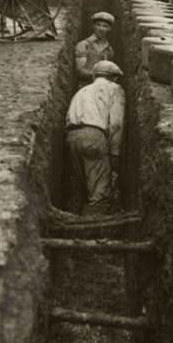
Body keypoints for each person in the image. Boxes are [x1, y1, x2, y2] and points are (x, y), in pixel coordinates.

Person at [65, 60, 125, 216]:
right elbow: (116, 123)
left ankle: (71, 222)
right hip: (94, 137)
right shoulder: (114, 89)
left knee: (79, 188)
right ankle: (91, 230)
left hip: (71, 137)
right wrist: (115, 153)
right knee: (99, 195)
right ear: (114, 77)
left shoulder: (82, 91)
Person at [75, 11, 115, 83]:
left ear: (109, 29)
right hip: (86, 86)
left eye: (105, 26)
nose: (101, 28)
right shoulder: (84, 45)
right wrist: (99, 75)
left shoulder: (109, 49)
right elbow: (80, 71)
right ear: (93, 26)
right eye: (98, 25)